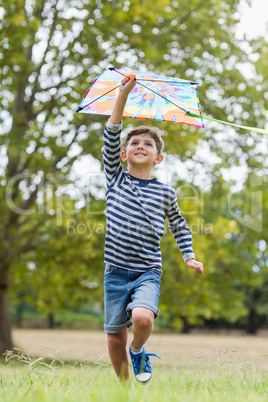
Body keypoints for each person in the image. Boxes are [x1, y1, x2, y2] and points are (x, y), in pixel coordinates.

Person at [103, 74, 203, 385]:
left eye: (148, 144)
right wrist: (123, 94)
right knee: (114, 339)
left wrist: (189, 256)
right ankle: (124, 390)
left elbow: (179, 226)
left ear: (158, 158)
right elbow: (111, 132)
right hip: (115, 271)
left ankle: (139, 350)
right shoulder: (115, 179)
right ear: (123, 154)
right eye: (134, 143)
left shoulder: (165, 193)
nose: (140, 146)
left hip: (147, 269)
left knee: (143, 318)